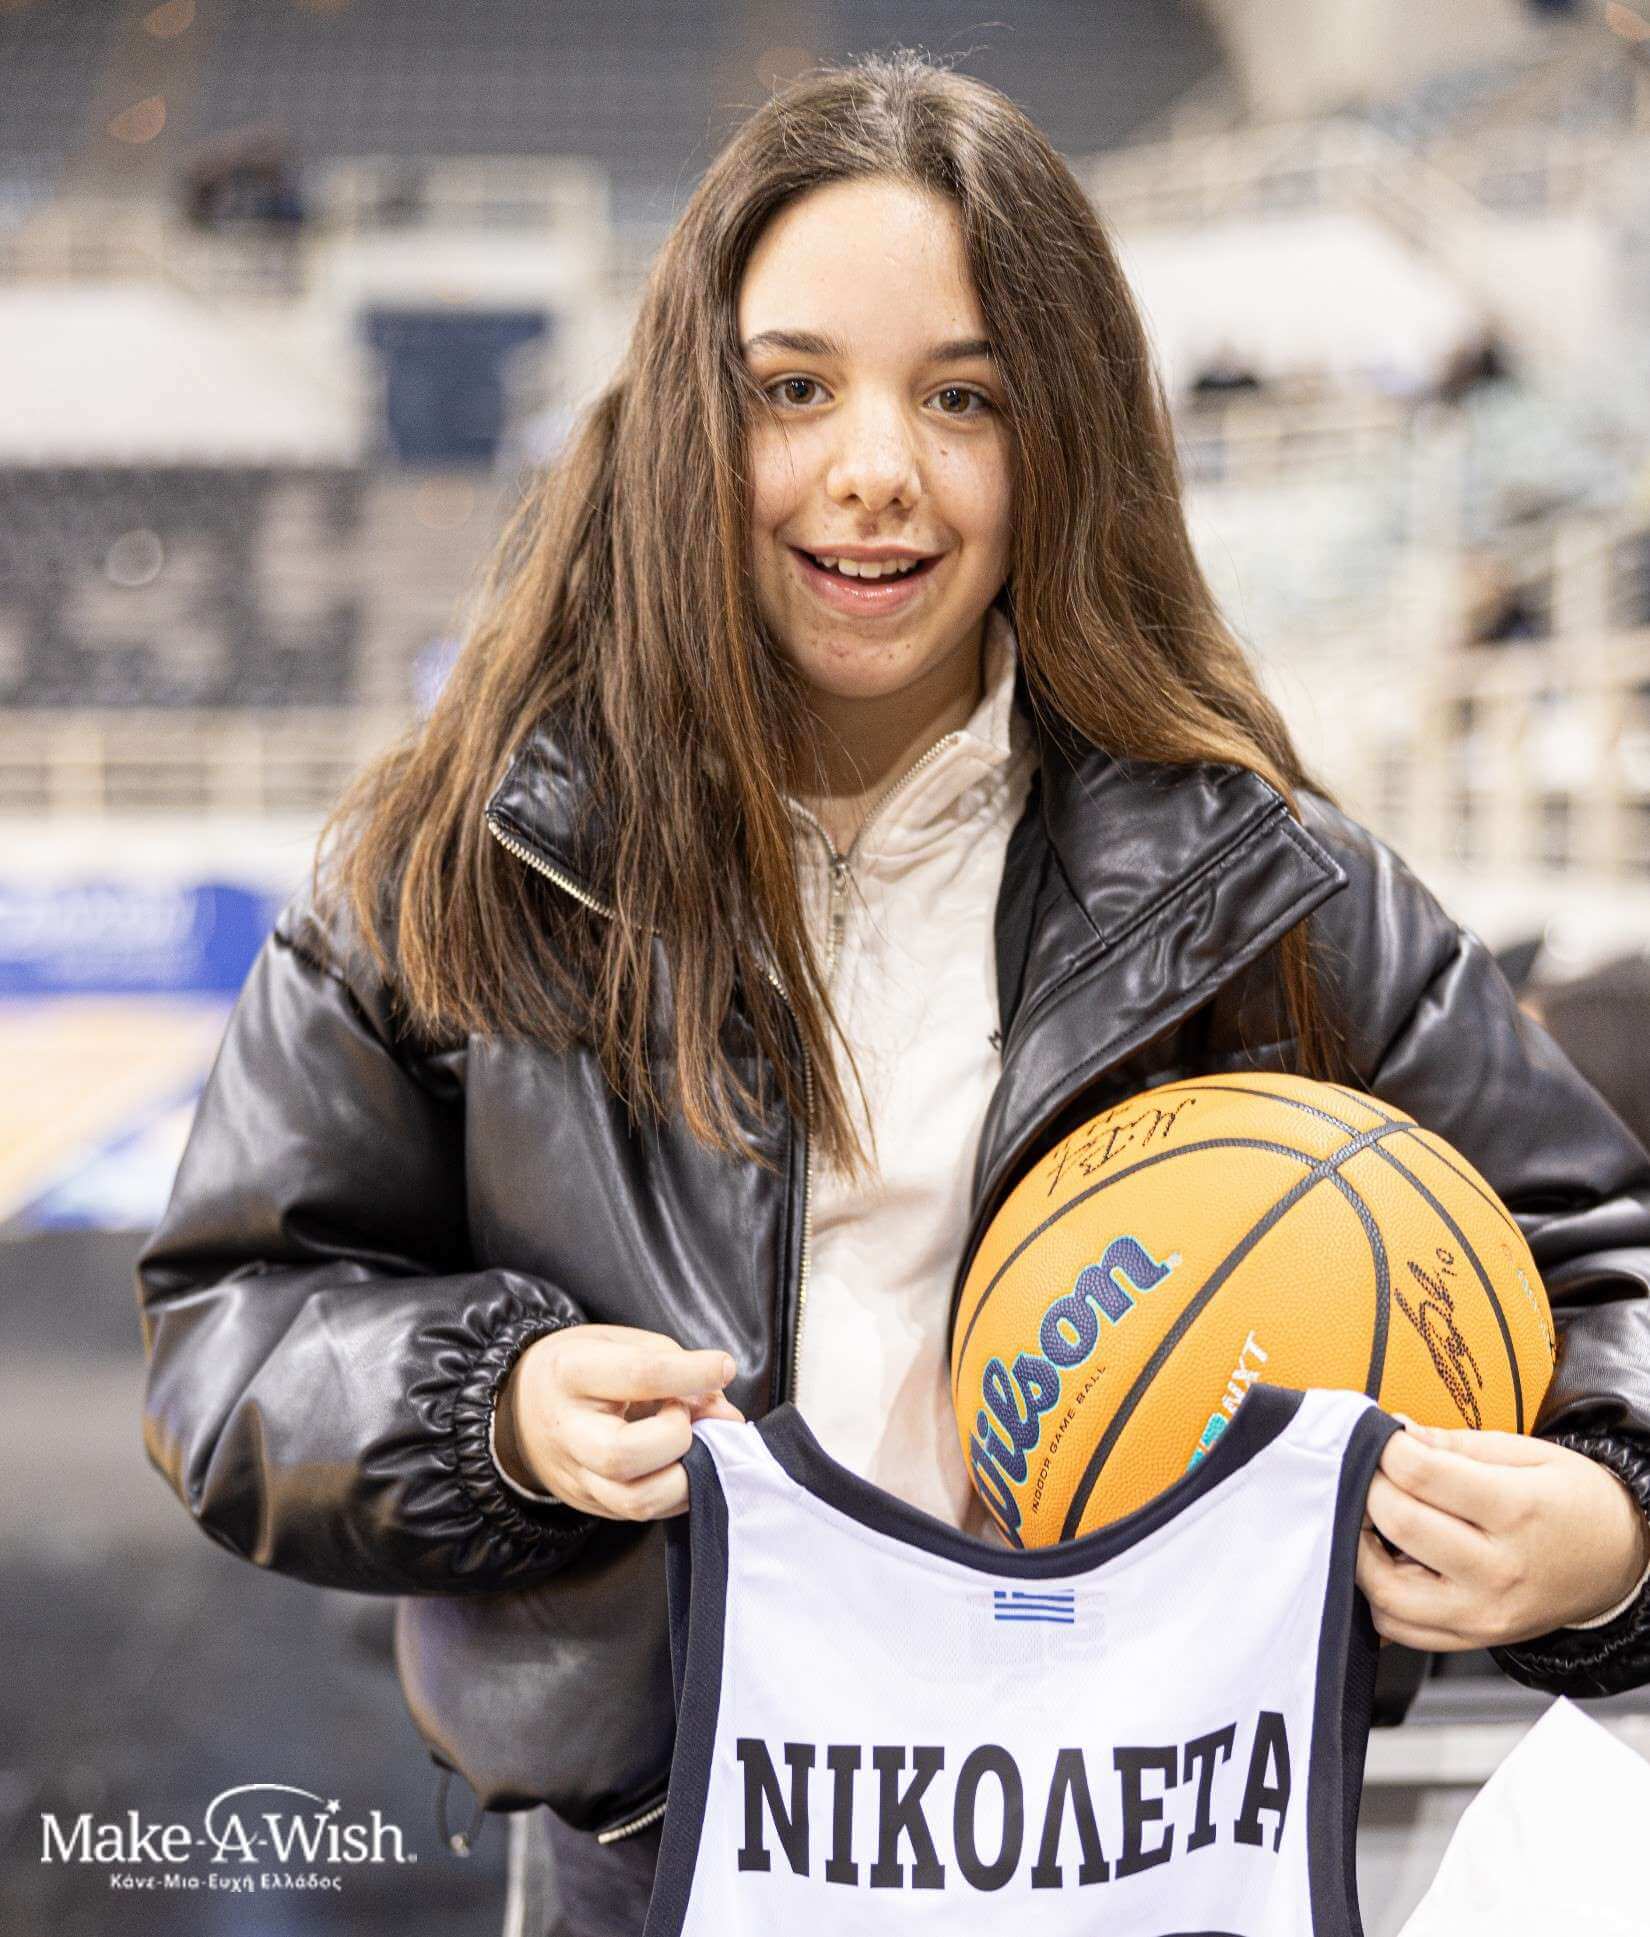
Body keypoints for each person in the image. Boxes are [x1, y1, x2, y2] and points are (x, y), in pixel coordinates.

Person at [136, 52, 1650, 1935]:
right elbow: (232, 1327)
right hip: (662, 1867)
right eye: (793, 389)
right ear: (686, 419)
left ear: (1062, 439)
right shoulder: (466, 862)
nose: (874, 469)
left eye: (963, 397)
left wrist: (1607, 1518)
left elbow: (1602, 1261)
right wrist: (493, 1408)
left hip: (1164, 1851)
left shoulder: (1267, 880)